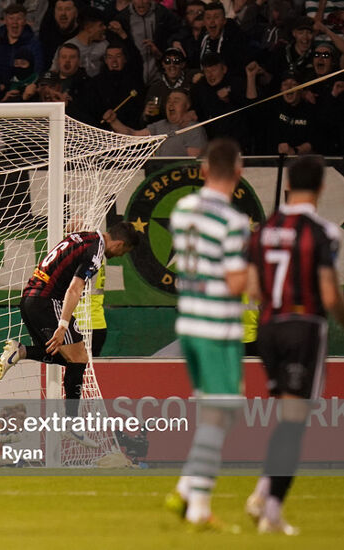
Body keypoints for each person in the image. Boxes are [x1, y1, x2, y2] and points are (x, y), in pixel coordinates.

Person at [244, 155, 344, 534]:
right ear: (320, 187)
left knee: (289, 420)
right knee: (294, 422)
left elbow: (253, 287)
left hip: (268, 328)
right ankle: (269, 508)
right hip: (303, 327)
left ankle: (263, 494)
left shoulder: (265, 228)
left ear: (288, 185)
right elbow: (330, 294)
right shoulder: (323, 231)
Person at [164, 138, 249, 529]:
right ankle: (198, 504)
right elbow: (234, 283)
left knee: (215, 412)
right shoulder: (233, 222)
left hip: (189, 322)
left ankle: (186, 488)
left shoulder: (181, 211)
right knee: (222, 412)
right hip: (217, 325)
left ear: (201, 171)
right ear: (238, 172)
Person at [0, 221, 139, 447]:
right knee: (79, 358)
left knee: (67, 358)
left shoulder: (83, 236)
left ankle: (22, 351)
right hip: (47, 302)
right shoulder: (96, 252)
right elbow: (74, 288)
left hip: (29, 299)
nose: (120, 255)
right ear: (120, 243)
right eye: (124, 251)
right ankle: (71, 425)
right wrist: (63, 324)